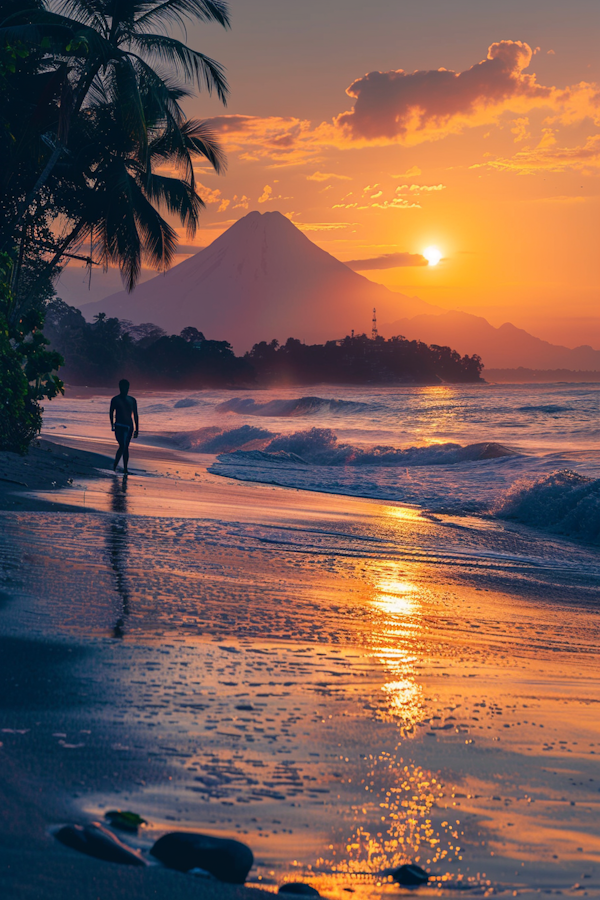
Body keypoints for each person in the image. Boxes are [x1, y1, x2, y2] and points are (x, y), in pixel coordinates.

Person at [109, 379, 139, 474]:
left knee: (125, 447)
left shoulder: (132, 400)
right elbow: (111, 412)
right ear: (120, 387)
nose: (125, 389)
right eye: (123, 387)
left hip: (129, 426)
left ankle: (123, 468)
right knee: (123, 445)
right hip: (119, 425)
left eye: (127, 387)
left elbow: (136, 414)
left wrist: (137, 429)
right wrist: (112, 424)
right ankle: (117, 466)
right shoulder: (115, 399)